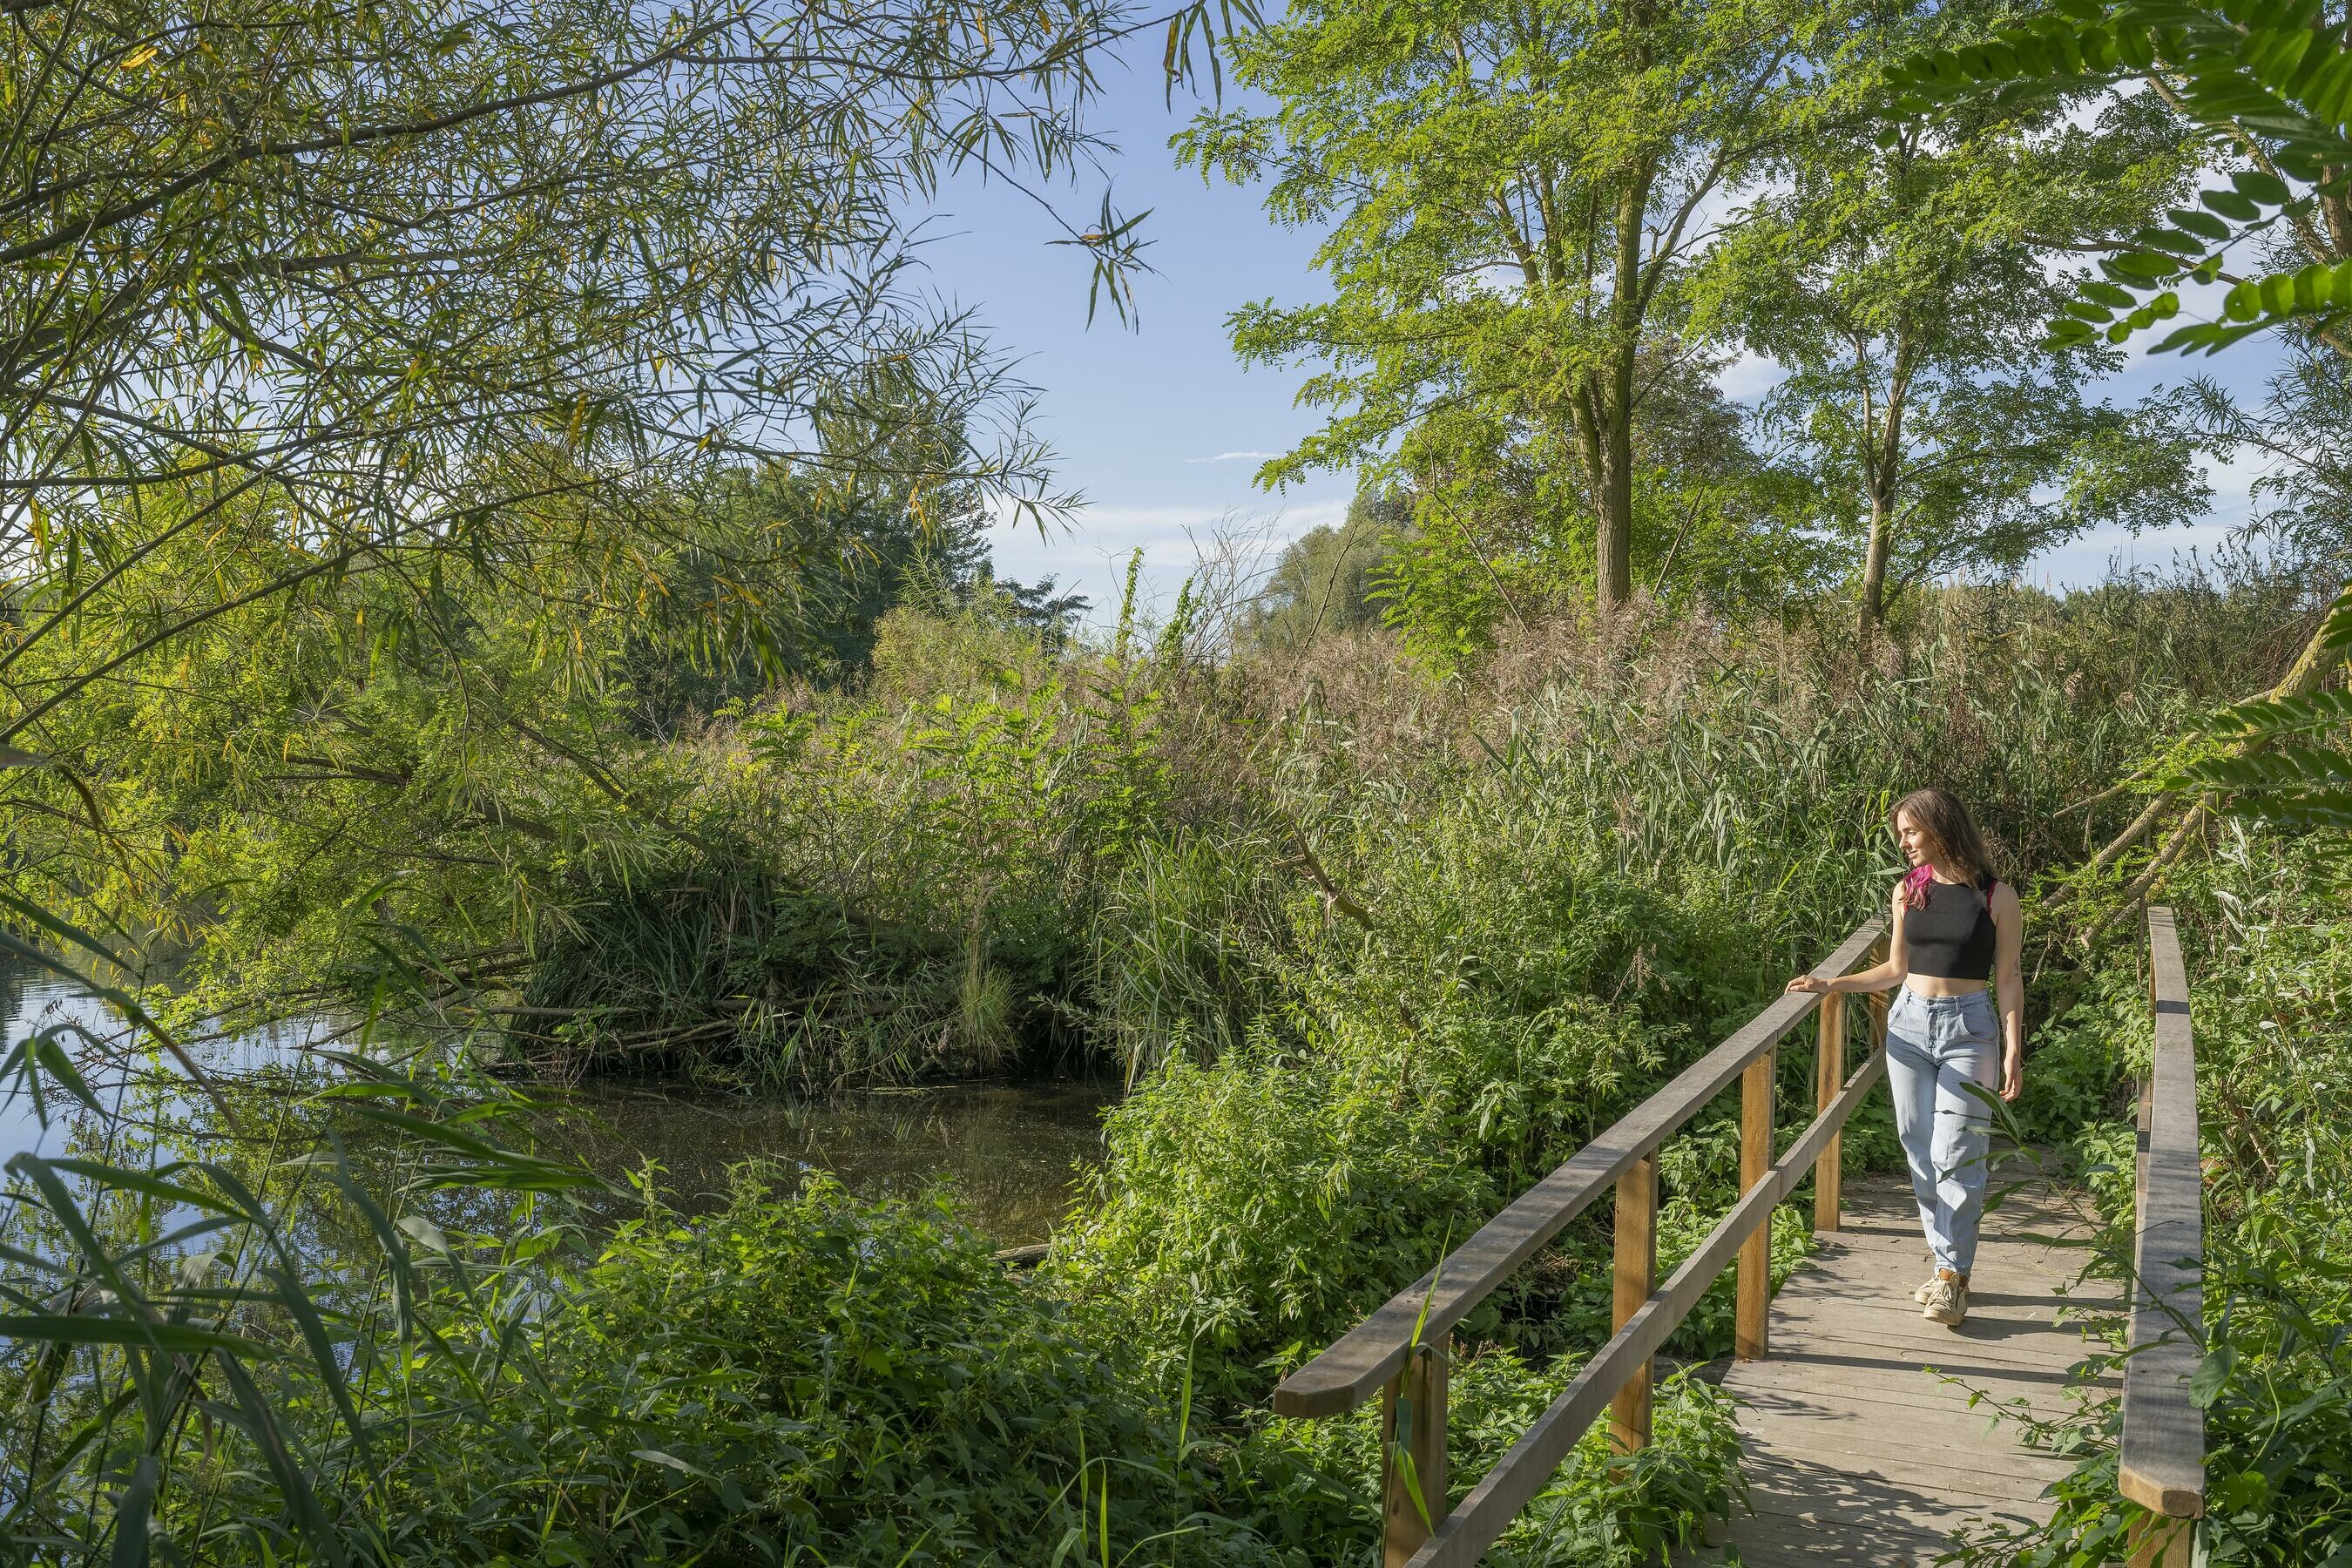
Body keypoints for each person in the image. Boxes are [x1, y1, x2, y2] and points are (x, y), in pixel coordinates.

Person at [1786, 787, 2023, 1328]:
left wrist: (2013, 1048)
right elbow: (1894, 969)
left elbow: (2008, 976)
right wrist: (1831, 983)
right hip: (1909, 1026)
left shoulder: (1996, 897)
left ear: (1940, 828)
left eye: (1911, 831)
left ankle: (1951, 1276)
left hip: (1969, 1030)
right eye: (1901, 833)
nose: (1904, 842)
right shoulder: (1908, 890)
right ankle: (1946, 1268)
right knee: (1918, 1147)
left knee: (1956, 1152)